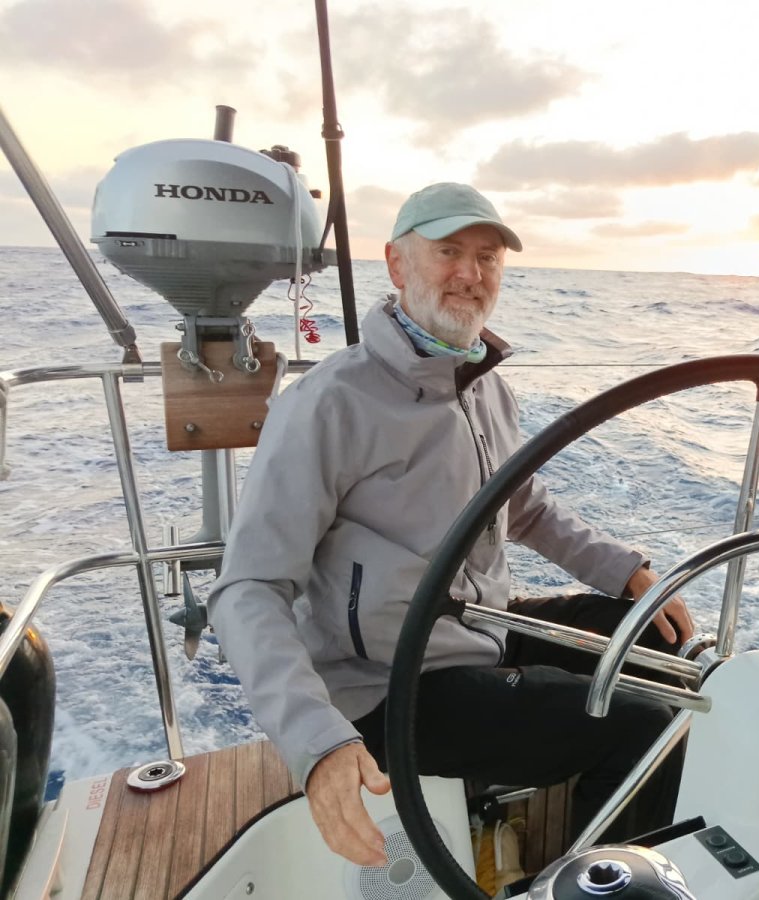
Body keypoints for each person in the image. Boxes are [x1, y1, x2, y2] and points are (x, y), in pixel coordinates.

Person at [208, 182, 694, 869]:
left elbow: (523, 505)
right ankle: (615, 883)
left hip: (482, 632)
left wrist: (630, 572)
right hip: (385, 684)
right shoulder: (328, 404)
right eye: (449, 252)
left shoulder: (486, 384)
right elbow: (248, 588)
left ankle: (609, 843)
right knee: (647, 727)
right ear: (397, 265)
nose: (471, 273)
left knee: (654, 641)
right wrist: (317, 742)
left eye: (488, 257)